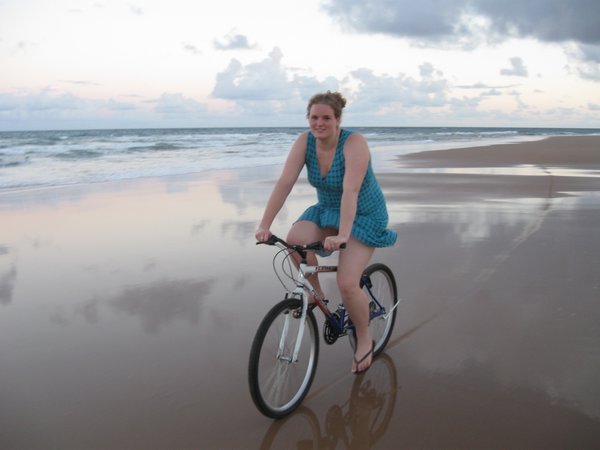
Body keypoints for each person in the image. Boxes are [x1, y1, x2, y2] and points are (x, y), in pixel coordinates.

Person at [255, 91, 396, 374]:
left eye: (326, 118)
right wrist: (264, 224)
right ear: (308, 118)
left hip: (364, 215)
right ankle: (315, 295)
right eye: (314, 117)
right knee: (295, 242)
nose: (319, 123)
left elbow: (351, 190)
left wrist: (343, 235)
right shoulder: (305, 142)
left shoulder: (354, 143)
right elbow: (285, 183)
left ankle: (365, 337)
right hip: (327, 209)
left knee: (346, 282)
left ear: (338, 119)